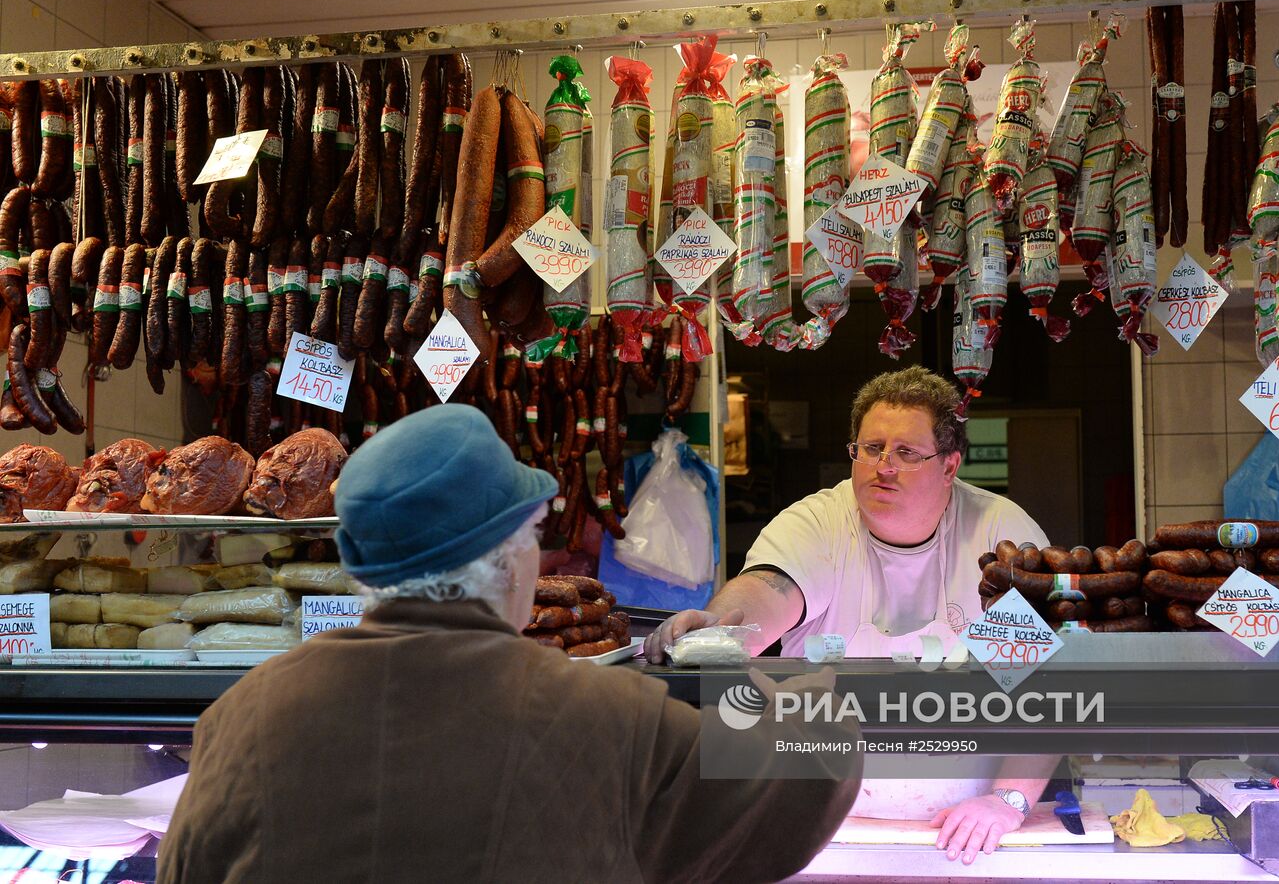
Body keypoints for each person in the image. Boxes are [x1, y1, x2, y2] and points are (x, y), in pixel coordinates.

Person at [158, 404, 861, 883]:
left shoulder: (241, 716)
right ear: (507, 559)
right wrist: (803, 688)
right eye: (531, 535)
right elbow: (812, 777)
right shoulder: (614, 720)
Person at [643, 366, 1056, 864]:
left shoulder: (999, 534)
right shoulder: (817, 523)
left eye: (906, 452)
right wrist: (720, 634)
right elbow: (769, 591)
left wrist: (1008, 801)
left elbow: (1039, 685)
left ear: (950, 466)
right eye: (871, 447)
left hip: (969, 826)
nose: (883, 465)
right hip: (819, 817)